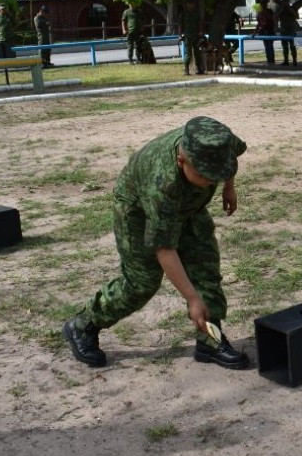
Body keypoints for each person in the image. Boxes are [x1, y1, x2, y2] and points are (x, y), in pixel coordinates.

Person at [63, 116, 250, 370]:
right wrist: (192, 299)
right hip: (138, 211)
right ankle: (83, 325)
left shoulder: (217, 141)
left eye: (218, 174)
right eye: (206, 175)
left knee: (205, 268)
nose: (212, 180)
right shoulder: (163, 183)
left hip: (188, 206)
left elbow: (232, 158)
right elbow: (165, 249)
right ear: (181, 160)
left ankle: (210, 339)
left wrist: (229, 187)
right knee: (142, 282)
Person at [277, 0, 299, 66]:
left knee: (293, 47)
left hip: (291, 31)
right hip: (283, 31)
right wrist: (282, 10)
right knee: (285, 47)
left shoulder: (293, 8)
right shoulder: (280, 9)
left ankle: (294, 60)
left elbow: (297, 17)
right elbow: (276, 17)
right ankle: (286, 60)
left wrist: (291, 10)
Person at [256, 0, 277, 64]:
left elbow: (271, 20)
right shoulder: (260, 13)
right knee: (267, 46)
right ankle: (269, 60)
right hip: (264, 31)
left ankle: (271, 60)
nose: (262, 6)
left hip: (269, 30)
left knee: (269, 45)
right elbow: (259, 23)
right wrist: (255, 31)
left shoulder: (269, 12)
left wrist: (259, 31)